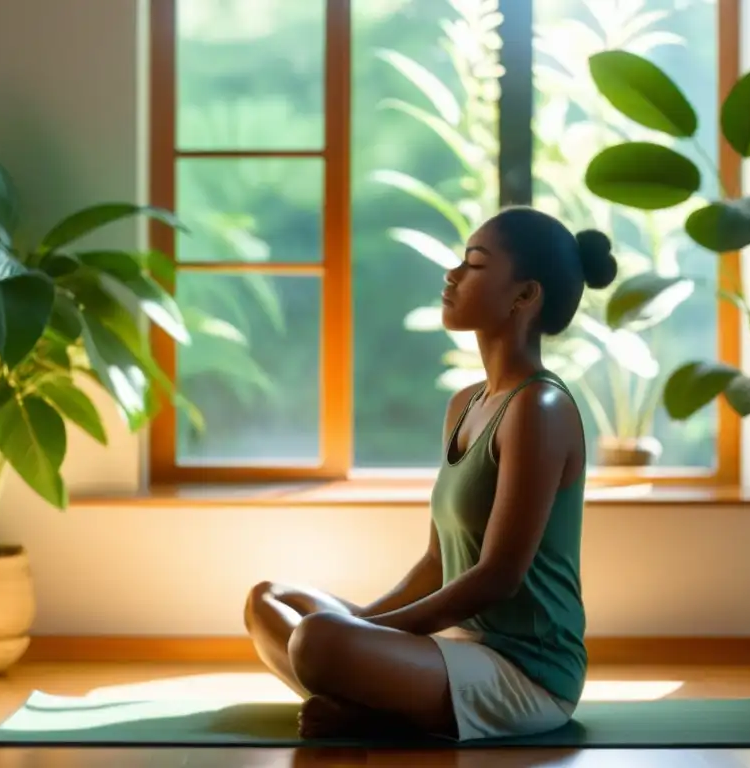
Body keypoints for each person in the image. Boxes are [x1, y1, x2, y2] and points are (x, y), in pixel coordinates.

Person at [243, 205, 618, 742]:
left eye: (475, 264)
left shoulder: (541, 408)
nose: (453, 274)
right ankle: (366, 700)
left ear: (524, 295)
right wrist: (365, 625)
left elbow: (498, 577)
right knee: (271, 601)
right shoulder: (466, 404)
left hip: (525, 673)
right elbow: (437, 562)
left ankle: (370, 705)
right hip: (453, 651)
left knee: (318, 641)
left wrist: (360, 635)